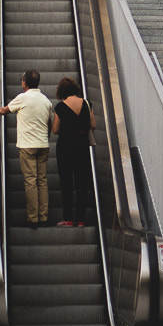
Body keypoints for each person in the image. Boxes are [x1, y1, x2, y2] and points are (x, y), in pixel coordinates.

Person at [0, 69, 53, 228]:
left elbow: (5, 110)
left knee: (31, 181)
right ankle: (43, 217)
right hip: (43, 145)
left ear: (25, 83)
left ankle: (33, 218)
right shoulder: (46, 101)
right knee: (42, 181)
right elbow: (49, 124)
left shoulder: (23, 98)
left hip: (27, 146)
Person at [52, 77, 96, 227]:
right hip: (82, 144)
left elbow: (55, 129)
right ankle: (81, 219)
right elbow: (93, 125)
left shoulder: (60, 107)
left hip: (65, 145)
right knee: (81, 183)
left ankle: (68, 219)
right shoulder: (87, 104)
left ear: (62, 91)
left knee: (66, 182)